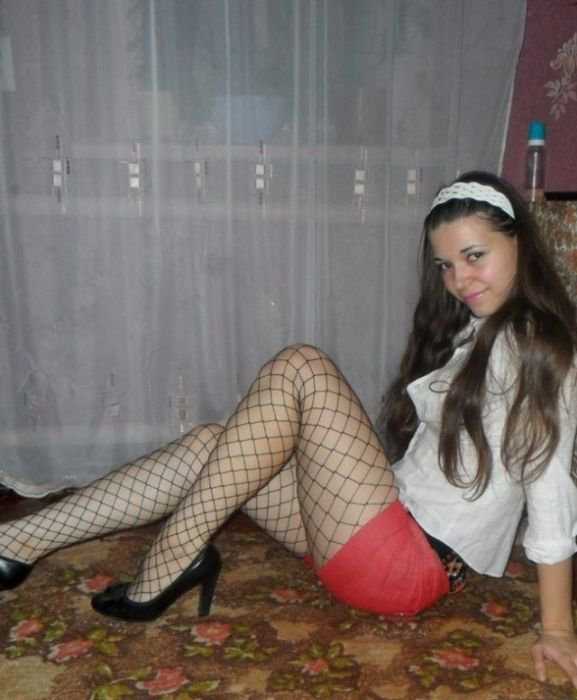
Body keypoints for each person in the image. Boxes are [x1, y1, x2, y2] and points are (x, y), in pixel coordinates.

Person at [1, 170, 576, 686]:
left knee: (302, 367)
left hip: (405, 565)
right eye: (445, 265)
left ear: (520, 244)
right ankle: (17, 542)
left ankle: (170, 559)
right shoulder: (478, 332)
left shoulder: (539, 347)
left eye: (474, 256)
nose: (459, 279)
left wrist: (557, 629)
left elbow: (550, 486)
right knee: (211, 444)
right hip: (374, 533)